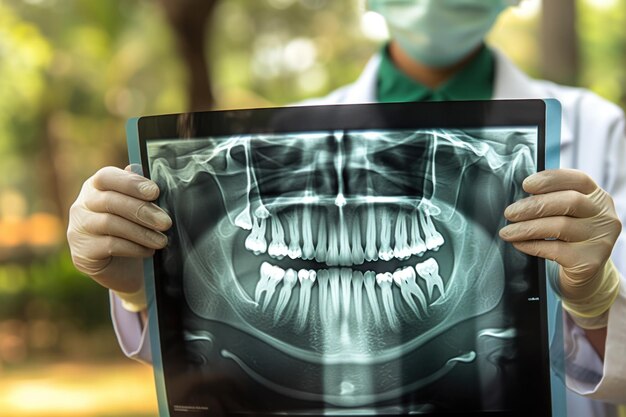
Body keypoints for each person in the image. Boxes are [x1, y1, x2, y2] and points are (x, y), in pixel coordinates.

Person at [66, 0, 626, 415]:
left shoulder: (601, 129)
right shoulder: (285, 129)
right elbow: (211, 374)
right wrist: (144, 286)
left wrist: (601, 301)